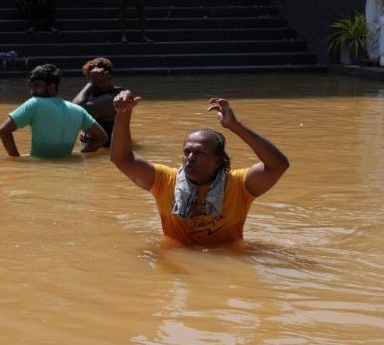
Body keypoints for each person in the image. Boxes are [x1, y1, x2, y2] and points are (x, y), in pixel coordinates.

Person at [110, 93, 289, 247]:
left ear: (219, 161)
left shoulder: (239, 184)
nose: (190, 158)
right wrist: (123, 114)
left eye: (199, 153)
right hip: (178, 263)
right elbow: (122, 159)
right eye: (187, 152)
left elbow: (278, 165)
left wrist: (235, 126)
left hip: (226, 260)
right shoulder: (164, 180)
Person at [0, 64, 108, 158]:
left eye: (37, 86)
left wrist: (16, 160)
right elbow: (102, 138)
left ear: (51, 87)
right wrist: (81, 155)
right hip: (67, 170)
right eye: (31, 87)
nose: (32, 91)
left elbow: (3, 130)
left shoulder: (35, 103)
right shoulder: (78, 110)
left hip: (39, 170)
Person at [71, 57, 122, 144]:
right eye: (90, 78)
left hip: (108, 152)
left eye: (96, 80)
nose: (92, 85)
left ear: (108, 77)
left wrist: (91, 82)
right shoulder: (97, 92)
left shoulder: (113, 99)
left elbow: (74, 110)